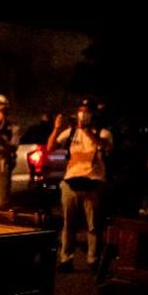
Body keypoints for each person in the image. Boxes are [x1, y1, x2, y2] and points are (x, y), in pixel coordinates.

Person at [46, 99, 113, 272]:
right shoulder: (70, 132)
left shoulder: (103, 132)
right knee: (69, 223)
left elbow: (104, 146)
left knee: (93, 225)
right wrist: (56, 128)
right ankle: (66, 259)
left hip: (93, 183)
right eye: (80, 110)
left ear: (93, 114)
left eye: (87, 111)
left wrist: (87, 131)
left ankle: (93, 260)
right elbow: (50, 147)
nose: (83, 114)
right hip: (71, 182)